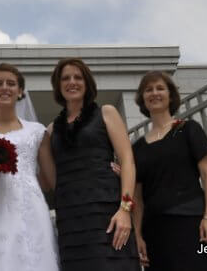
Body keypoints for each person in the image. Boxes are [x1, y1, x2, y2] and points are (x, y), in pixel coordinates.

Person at [0, 63, 59, 271]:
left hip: (29, 210)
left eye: (11, 83)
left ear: (20, 91)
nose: (4, 87)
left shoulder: (37, 131)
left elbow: (51, 180)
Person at [48, 58, 139, 270]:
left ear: (87, 83)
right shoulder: (52, 129)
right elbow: (49, 177)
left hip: (106, 210)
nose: (72, 82)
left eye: (78, 77)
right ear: (58, 86)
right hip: (71, 217)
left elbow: (127, 160)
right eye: (66, 78)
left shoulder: (106, 113)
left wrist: (125, 209)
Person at [132, 71, 207, 270]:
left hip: (193, 224)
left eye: (160, 88)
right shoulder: (137, 148)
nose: (154, 93)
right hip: (155, 233)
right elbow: (138, 198)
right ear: (142, 99)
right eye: (148, 90)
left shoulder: (188, 129)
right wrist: (138, 235)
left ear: (171, 95)